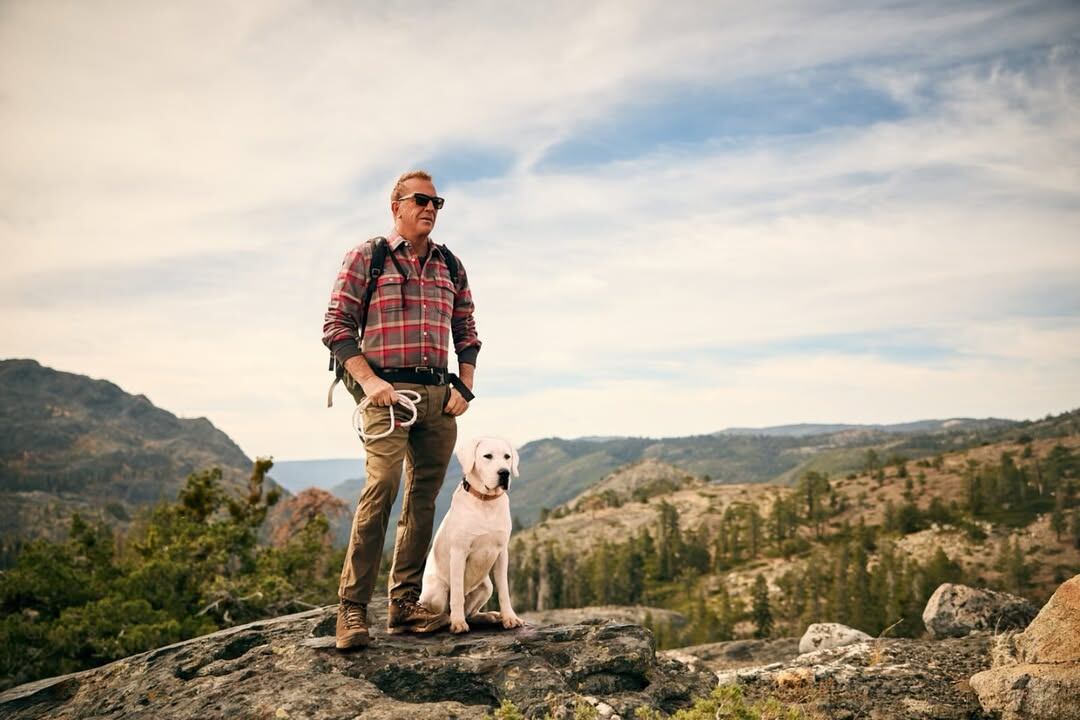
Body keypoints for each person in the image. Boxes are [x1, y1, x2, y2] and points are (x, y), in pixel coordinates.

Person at [322, 170, 480, 649]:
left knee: (423, 498)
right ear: (397, 207)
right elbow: (336, 326)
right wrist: (370, 383)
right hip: (385, 395)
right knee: (383, 486)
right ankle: (351, 610)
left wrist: (464, 388)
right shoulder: (367, 258)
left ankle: (404, 604)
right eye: (421, 200)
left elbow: (467, 331)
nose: (431, 208)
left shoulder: (450, 265)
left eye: (437, 202)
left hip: (438, 397)